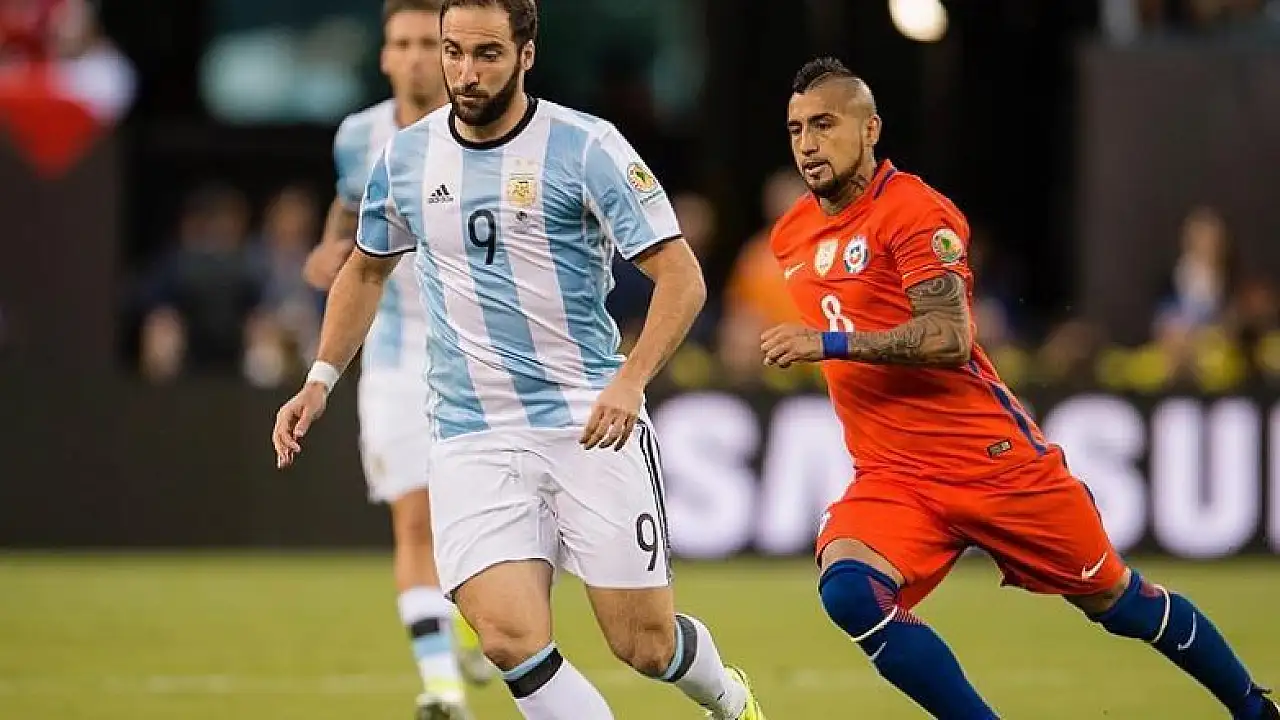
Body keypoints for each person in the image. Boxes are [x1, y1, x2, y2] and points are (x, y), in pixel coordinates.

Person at [273, 1, 766, 719]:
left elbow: (681, 277)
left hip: (587, 422)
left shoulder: (585, 146)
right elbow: (366, 269)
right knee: (507, 639)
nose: (465, 73)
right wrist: (319, 380)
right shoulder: (405, 157)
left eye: (487, 54)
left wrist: (630, 379)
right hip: (471, 432)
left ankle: (729, 699)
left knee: (646, 645)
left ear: (526, 55)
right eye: (453, 52)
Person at [760, 56, 1278, 720]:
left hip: (992, 463)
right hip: (895, 475)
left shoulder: (915, 212)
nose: (807, 143)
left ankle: (1253, 709)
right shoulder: (792, 233)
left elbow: (949, 336)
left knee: (1118, 602)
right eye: (796, 128)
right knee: (849, 592)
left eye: (825, 124)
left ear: (870, 129)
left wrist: (829, 343)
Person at [297, 2, 491, 718]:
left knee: (491, 524)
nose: (414, 58)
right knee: (414, 521)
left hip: (485, 356)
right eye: (401, 44)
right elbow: (349, 211)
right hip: (396, 359)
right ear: (383, 56)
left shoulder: (493, 133)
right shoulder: (359, 136)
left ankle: (476, 615)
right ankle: (442, 688)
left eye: (426, 44)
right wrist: (329, 249)